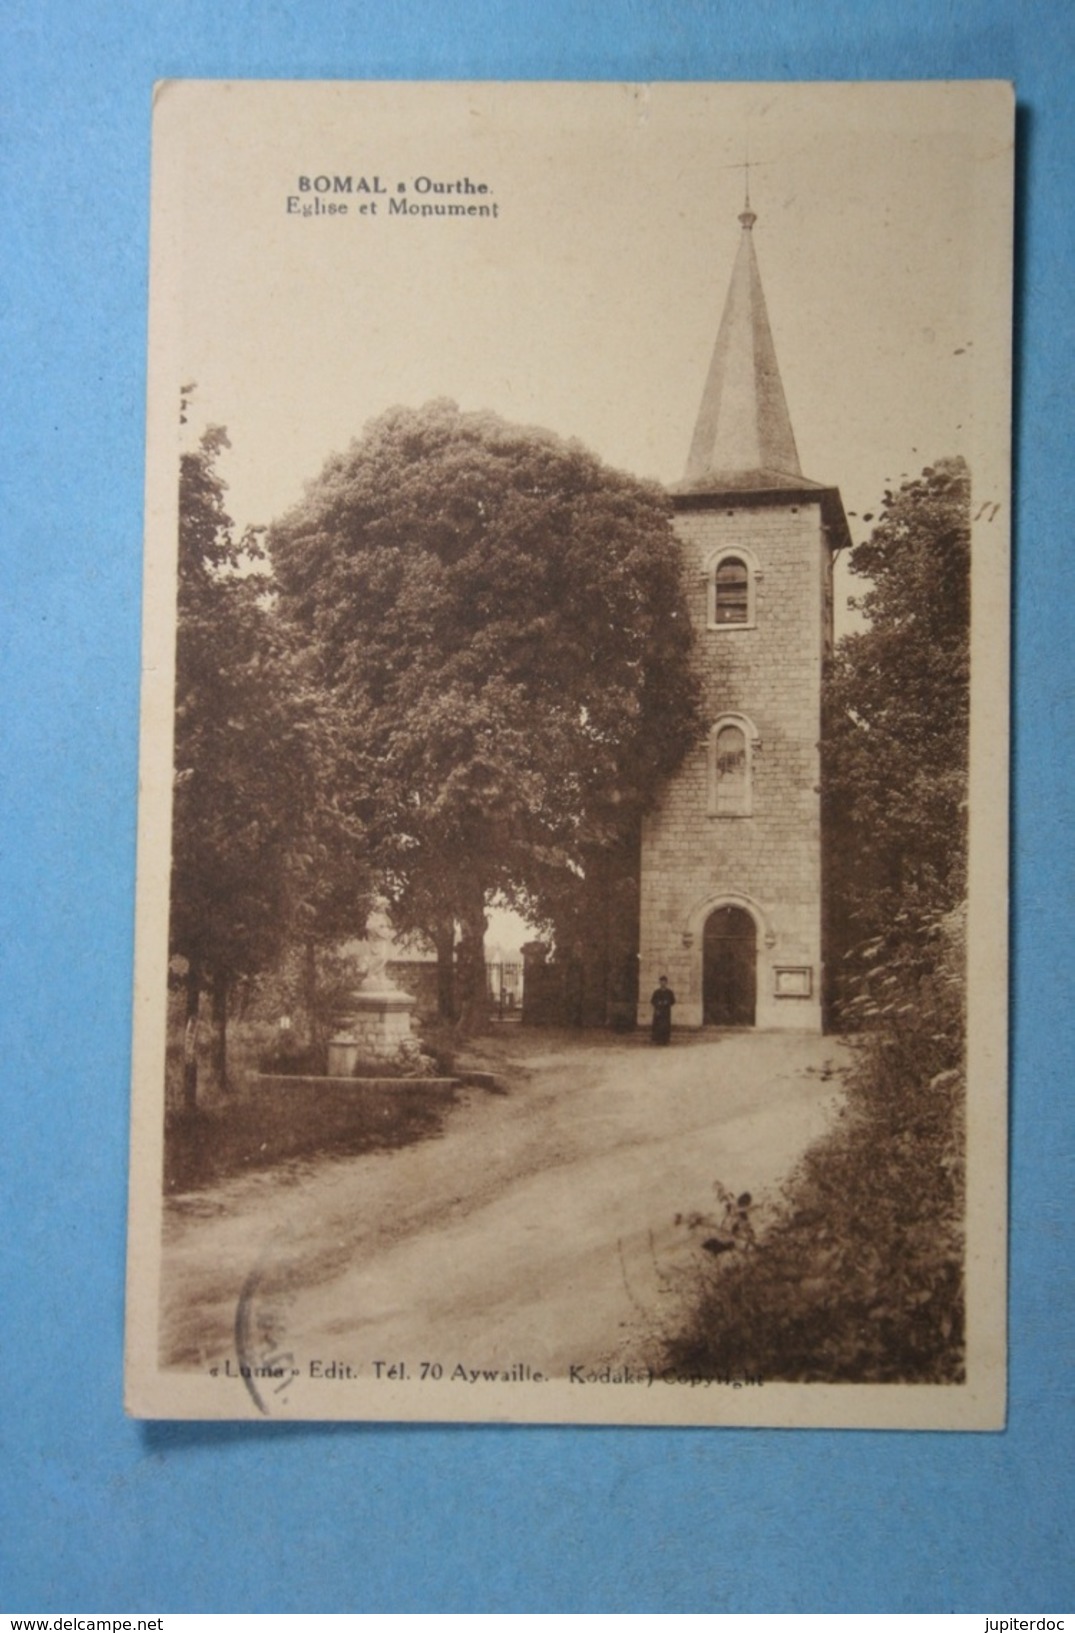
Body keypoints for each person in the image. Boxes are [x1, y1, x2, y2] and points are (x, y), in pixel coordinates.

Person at [650, 974, 676, 1044]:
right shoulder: (656, 992)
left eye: (664, 982)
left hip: (666, 1012)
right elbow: (652, 1001)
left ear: (666, 983)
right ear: (659, 983)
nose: (663, 983)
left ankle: (665, 1040)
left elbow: (673, 1001)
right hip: (658, 1011)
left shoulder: (669, 992)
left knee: (665, 1026)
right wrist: (658, 1003)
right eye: (661, 982)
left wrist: (667, 1002)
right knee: (657, 1025)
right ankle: (657, 1040)